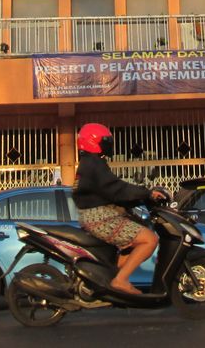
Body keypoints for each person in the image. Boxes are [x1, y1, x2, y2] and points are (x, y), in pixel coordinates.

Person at [71, 123, 166, 295]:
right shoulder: (94, 164)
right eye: (105, 141)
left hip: (95, 216)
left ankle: (110, 279)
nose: (109, 145)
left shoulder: (89, 164)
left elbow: (111, 191)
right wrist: (148, 193)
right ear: (94, 142)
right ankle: (120, 280)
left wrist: (138, 197)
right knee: (150, 240)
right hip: (101, 217)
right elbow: (116, 188)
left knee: (129, 244)